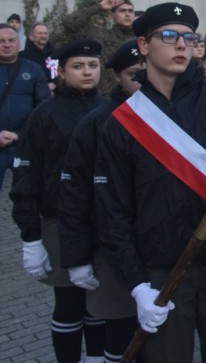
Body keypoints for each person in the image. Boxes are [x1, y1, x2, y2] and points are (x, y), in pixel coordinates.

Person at [94, 2, 206, 362]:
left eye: (189, 37)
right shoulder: (121, 123)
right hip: (162, 268)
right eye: (169, 36)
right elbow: (113, 210)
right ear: (142, 44)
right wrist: (137, 285)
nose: (181, 44)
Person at [11, 39, 108, 362]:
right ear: (62, 72)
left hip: (104, 221)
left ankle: (95, 358)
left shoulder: (110, 109)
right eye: (78, 66)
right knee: (68, 304)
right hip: (59, 221)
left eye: (92, 65)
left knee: (98, 302)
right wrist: (31, 236)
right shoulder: (44, 114)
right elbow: (28, 176)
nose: (86, 72)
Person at [58, 41, 144, 361]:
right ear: (118, 79)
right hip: (112, 245)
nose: (144, 80)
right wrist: (77, 256)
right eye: (135, 75)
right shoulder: (98, 121)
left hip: (160, 245)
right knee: (120, 335)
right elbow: (75, 193)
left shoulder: (173, 115)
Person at [0, 24, 50, 188]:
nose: (7, 44)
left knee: (27, 192)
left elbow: (43, 107)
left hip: (24, 144)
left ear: (18, 43)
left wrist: (18, 135)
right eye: (1, 41)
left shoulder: (33, 69)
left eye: (11, 40)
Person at [60, 0, 138, 94]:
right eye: (122, 11)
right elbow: (70, 23)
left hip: (134, 94)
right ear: (112, 15)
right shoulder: (101, 35)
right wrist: (99, 7)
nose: (127, 14)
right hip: (107, 94)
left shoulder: (139, 39)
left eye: (130, 11)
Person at [20, 22, 57, 86]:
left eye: (45, 33)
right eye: (40, 33)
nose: (43, 36)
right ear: (31, 37)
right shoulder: (23, 56)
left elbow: (58, 74)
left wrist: (54, 84)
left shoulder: (55, 54)